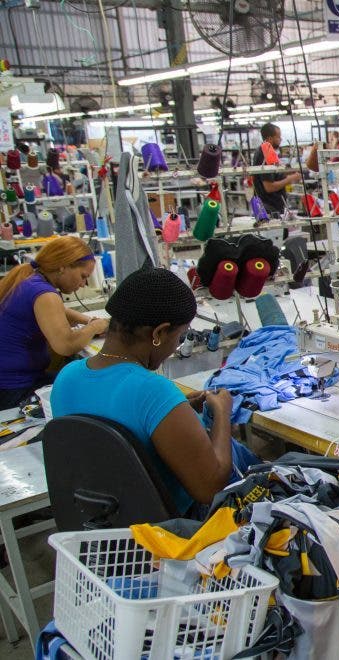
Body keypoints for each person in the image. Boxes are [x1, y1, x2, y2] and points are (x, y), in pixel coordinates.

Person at [51, 266, 257, 515]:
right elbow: (210, 488)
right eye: (179, 336)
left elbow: (121, 424)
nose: (176, 346)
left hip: (104, 521)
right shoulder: (153, 390)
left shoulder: (67, 377)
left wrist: (177, 410)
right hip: (167, 528)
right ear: (159, 333)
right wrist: (223, 413)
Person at [0, 236, 107, 408]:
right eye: (83, 276)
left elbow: (60, 311)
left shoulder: (29, 279)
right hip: (15, 390)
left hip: (12, 382)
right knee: (98, 387)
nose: (83, 284)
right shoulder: (44, 293)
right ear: (63, 267)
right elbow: (66, 345)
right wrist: (94, 327)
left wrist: (89, 320)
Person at [252, 123, 302, 216]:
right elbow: (269, 187)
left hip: (274, 206)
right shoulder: (264, 153)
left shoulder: (269, 152)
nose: (281, 139)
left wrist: (289, 172)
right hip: (268, 208)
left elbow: (275, 175)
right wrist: (290, 179)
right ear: (270, 138)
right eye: (278, 137)